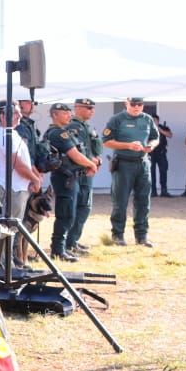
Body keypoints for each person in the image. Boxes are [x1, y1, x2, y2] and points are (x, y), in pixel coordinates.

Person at [0, 100, 43, 275]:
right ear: (3, 116)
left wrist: (32, 177)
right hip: (12, 187)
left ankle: (8, 261)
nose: (19, 115)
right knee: (10, 226)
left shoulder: (9, 133)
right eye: (15, 113)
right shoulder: (5, 136)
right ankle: (5, 264)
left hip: (17, 186)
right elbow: (17, 164)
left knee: (12, 226)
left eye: (19, 112)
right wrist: (34, 179)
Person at [102, 96, 160, 246]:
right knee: (120, 201)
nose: (137, 107)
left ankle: (142, 236)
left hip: (143, 163)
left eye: (140, 104)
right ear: (126, 103)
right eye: (133, 104)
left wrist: (151, 146)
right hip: (123, 164)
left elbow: (155, 137)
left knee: (143, 201)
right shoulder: (117, 119)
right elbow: (107, 141)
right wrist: (128, 145)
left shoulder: (147, 119)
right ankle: (118, 235)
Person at [43, 103, 95, 261]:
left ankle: (63, 247)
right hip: (64, 178)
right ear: (55, 115)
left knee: (69, 214)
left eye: (69, 112)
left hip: (71, 177)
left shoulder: (63, 132)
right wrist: (91, 164)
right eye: (64, 113)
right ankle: (58, 250)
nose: (68, 115)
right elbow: (74, 155)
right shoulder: (57, 133)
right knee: (65, 214)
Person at [64, 97, 103, 256]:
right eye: (88, 108)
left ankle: (73, 240)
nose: (91, 111)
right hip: (79, 172)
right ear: (77, 108)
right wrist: (91, 161)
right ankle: (69, 242)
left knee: (84, 207)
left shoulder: (86, 126)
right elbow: (77, 150)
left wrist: (97, 160)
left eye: (92, 108)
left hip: (88, 170)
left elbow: (93, 148)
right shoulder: (73, 126)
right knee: (79, 207)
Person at [150, 116, 173, 197]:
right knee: (151, 172)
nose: (153, 121)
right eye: (152, 120)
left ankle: (164, 191)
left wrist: (160, 130)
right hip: (150, 153)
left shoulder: (164, 127)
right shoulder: (146, 128)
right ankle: (153, 191)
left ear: (158, 121)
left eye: (155, 120)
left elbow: (170, 135)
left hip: (161, 153)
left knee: (163, 171)